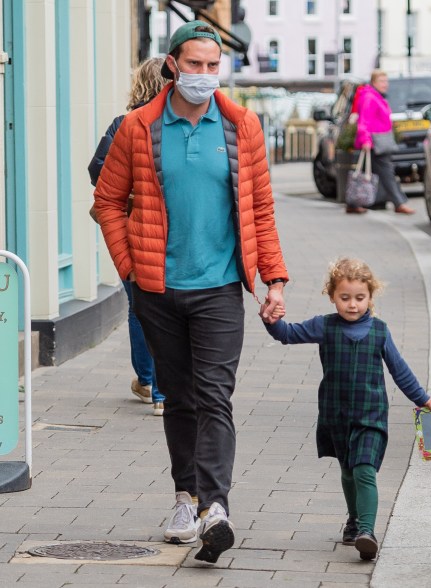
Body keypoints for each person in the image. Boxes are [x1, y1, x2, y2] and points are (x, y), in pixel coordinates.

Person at [93, 20, 288, 564]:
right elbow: (107, 201)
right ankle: (185, 497)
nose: (203, 75)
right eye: (194, 64)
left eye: (212, 65)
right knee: (178, 397)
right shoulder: (138, 128)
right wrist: (129, 267)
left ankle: (216, 508)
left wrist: (273, 279)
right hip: (157, 287)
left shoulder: (242, 126)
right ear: (172, 65)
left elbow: (261, 211)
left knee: (214, 396)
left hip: (221, 286)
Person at [260, 258, 431, 560]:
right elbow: (287, 334)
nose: (352, 305)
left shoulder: (380, 331)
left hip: (371, 416)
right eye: (345, 298)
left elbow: (399, 370)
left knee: (364, 470)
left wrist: (421, 398)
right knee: (347, 471)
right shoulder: (324, 326)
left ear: (370, 296)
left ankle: (367, 531)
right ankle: (354, 520)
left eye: (360, 298)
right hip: (336, 415)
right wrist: (271, 319)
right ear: (332, 296)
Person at [89, 57, 167, 417]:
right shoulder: (175, 125)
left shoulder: (123, 124)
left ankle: (149, 380)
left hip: (129, 227)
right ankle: (161, 391)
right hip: (168, 230)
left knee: (139, 306)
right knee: (167, 307)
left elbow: (98, 169)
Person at [350, 69, 416, 215]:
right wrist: (366, 139)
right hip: (375, 142)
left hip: (378, 141)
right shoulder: (370, 98)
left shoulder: (376, 97)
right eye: (382, 81)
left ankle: (353, 203)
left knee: (363, 174)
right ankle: (399, 203)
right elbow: (364, 121)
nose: (385, 84)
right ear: (374, 82)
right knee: (387, 173)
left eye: (386, 81)